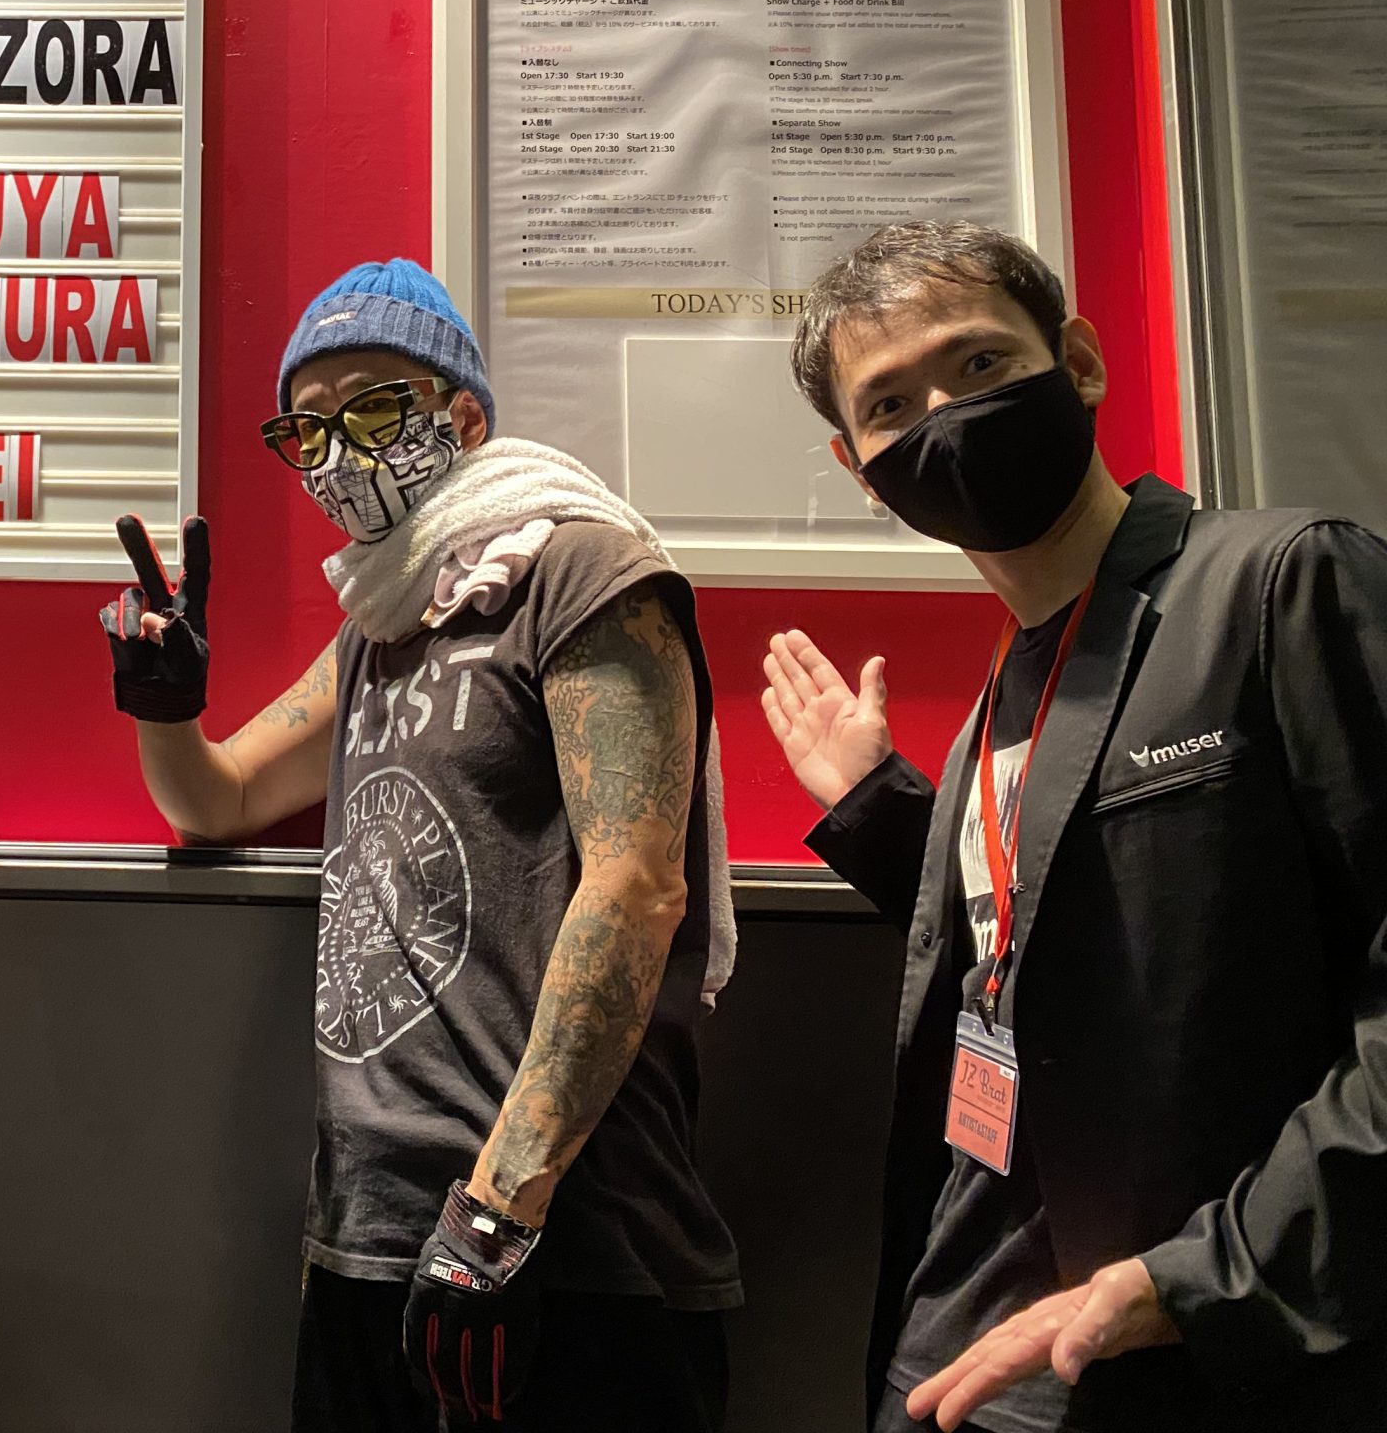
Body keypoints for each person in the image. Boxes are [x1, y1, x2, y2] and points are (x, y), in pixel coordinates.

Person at [759, 220, 1387, 1432]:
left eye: (979, 363)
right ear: (860, 470)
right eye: (889, 405)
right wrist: (880, 810)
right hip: (955, 1339)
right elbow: (1073, 932)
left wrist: (1205, 1278)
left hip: (1179, 1345)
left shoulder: (1281, 583)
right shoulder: (1003, 697)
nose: (944, 415)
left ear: (1079, 362)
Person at [102, 259, 742, 1432]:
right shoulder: (379, 628)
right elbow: (219, 798)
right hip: (375, 1221)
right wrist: (164, 707)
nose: (338, 449)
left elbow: (638, 886)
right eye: (308, 426)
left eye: (374, 407)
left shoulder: (580, 572)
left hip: (560, 1235)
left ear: (464, 418)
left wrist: (499, 1211)